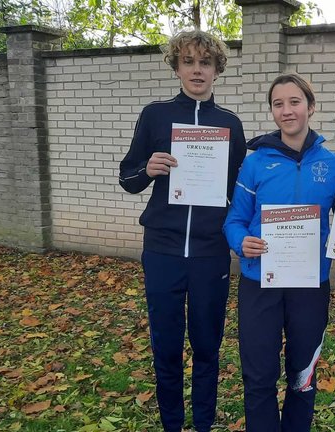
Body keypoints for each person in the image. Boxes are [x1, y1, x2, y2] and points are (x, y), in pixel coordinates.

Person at [118, 30, 247, 432]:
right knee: (167, 347)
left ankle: (204, 424)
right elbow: (128, 177)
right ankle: (173, 424)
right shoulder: (154, 114)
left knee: (208, 347)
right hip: (162, 250)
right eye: (188, 61)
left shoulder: (229, 123)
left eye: (205, 62)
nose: (196, 69)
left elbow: (238, 189)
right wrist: (148, 169)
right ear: (176, 66)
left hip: (210, 253)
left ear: (216, 70)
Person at [223, 73, 335, 432]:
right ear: (272, 111)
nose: (287, 110)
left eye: (294, 102)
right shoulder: (256, 162)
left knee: (302, 373)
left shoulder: (333, 165)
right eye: (278, 104)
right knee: (259, 373)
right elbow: (235, 220)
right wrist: (240, 242)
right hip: (260, 281)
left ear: (311, 107)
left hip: (310, 284)